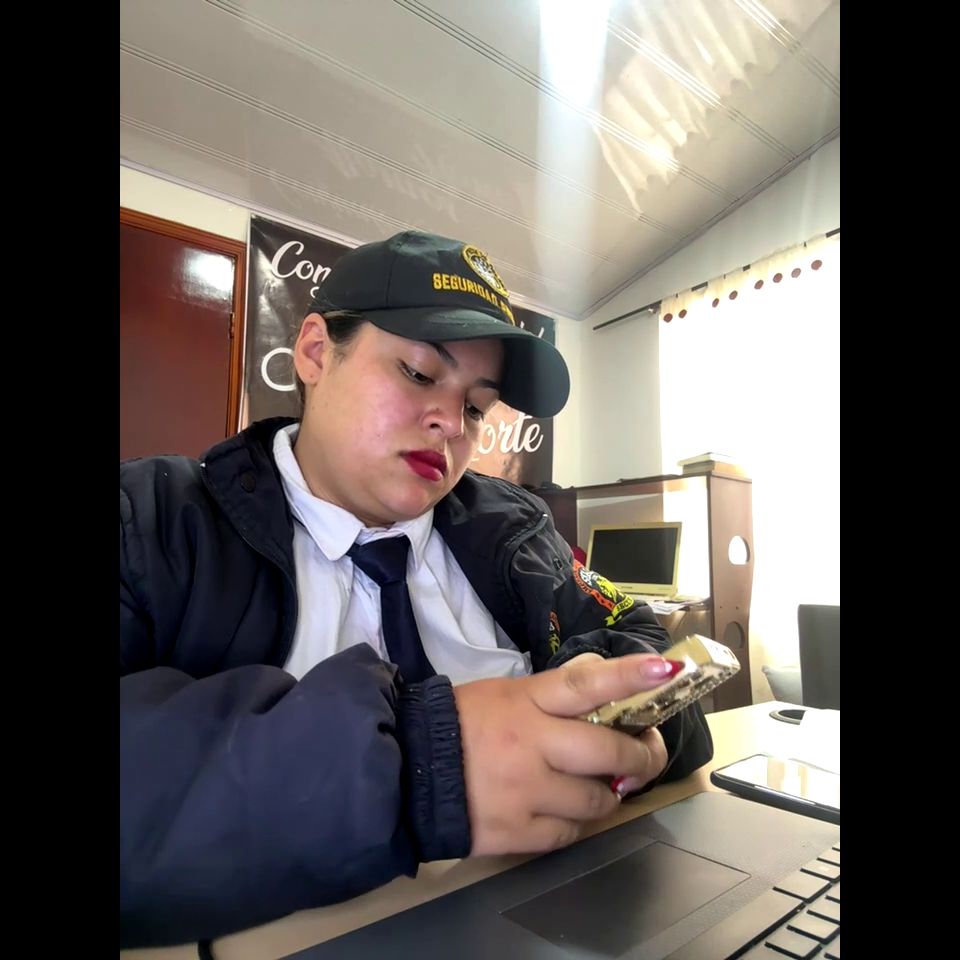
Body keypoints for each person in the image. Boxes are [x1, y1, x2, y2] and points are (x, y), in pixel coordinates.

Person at [120, 230, 713, 948]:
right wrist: (421, 768)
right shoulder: (151, 522)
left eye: (476, 408)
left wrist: (614, 715)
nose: (450, 425)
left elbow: (641, 639)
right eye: (418, 373)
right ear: (315, 352)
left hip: (556, 918)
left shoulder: (515, 531)